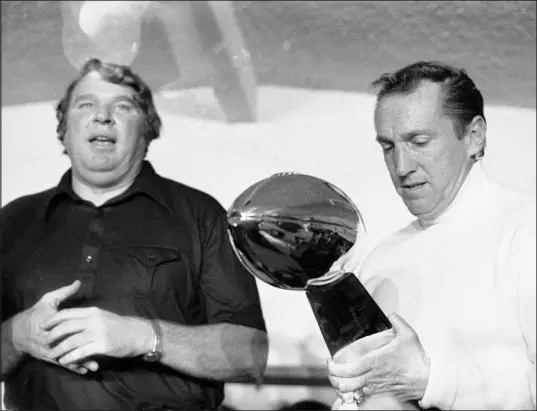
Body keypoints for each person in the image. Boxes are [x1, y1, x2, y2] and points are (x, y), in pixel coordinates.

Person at [1, 58, 268, 410]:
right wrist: (17, 334)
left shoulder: (201, 216)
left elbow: (251, 357)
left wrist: (143, 336)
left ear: (147, 131)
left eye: (122, 107)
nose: (103, 116)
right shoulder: (13, 222)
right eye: (86, 104)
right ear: (64, 130)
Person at [327, 61, 536, 410]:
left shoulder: (526, 230)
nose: (401, 167)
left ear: (474, 137)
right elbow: (366, 395)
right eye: (388, 147)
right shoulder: (381, 258)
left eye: (419, 141)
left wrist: (430, 380)